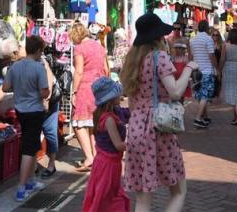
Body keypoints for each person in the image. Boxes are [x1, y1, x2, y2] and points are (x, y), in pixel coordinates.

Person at [121, 13, 198, 212]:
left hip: (136, 129)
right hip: (158, 129)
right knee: (179, 191)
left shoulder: (131, 60)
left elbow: (131, 102)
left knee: (143, 200)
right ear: (158, 37)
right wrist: (189, 68)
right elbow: (175, 91)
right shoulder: (160, 57)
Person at [0, 36, 50, 202]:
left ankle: (30, 181)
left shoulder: (15, 66)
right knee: (29, 148)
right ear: (37, 51)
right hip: (34, 110)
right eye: (41, 51)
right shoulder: (38, 68)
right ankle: (21, 187)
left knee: (33, 144)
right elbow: (45, 92)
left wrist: (19, 87)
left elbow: (5, 87)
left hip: (20, 110)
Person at [81, 77, 130, 212]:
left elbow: (128, 113)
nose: (120, 95)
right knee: (106, 198)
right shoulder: (109, 119)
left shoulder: (109, 113)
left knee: (105, 196)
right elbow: (119, 145)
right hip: (108, 166)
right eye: (117, 93)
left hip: (105, 163)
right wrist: (137, 143)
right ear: (110, 98)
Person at [71, 21, 109, 171]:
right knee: (93, 124)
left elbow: (79, 71)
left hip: (85, 87)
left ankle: (89, 158)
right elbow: (106, 69)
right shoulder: (100, 46)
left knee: (78, 123)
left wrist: (74, 91)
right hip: (99, 87)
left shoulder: (79, 48)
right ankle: (95, 155)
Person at [189, 20, 218, 129]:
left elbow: (191, 57)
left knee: (200, 94)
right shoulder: (208, 39)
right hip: (206, 71)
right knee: (205, 95)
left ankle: (204, 116)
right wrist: (216, 68)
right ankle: (197, 118)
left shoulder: (193, 40)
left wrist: (190, 69)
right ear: (206, 28)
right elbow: (212, 56)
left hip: (197, 71)